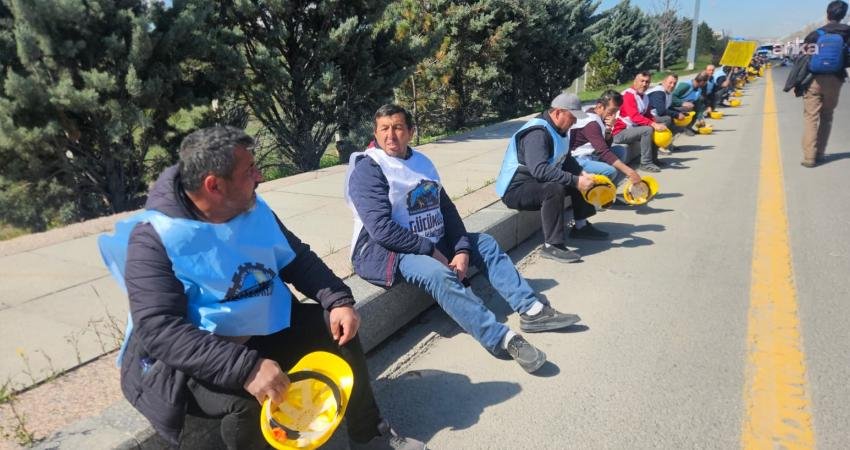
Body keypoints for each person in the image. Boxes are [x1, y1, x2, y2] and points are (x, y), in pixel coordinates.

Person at [98, 127, 424, 450]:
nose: (260, 177)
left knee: (338, 329)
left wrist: (338, 299)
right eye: (249, 170)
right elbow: (160, 329)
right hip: (196, 357)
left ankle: (368, 434)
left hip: (260, 327)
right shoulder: (154, 238)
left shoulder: (251, 206)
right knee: (250, 405)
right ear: (214, 185)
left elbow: (297, 258)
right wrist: (246, 367)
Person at [346, 104, 582, 374]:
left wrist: (461, 249)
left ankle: (532, 310)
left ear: (410, 132)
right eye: (384, 129)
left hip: (431, 237)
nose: (390, 136)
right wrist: (430, 251)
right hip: (388, 250)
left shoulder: (422, 162)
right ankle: (502, 339)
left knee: (485, 243)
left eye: (398, 128)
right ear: (375, 133)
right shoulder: (369, 168)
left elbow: (446, 209)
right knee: (437, 274)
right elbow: (381, 229)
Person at [495, 93, 610, 263]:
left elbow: (566, 159)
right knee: (555, 187)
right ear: (558, 113)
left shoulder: (559, 130)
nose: (575, 122)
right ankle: (552, 245)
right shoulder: (537, 133)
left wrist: (581, 174)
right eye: (572, 117)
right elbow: (540, 170)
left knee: (577, 179)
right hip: (516, 189)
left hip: (535, 183)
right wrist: (575, 180)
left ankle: (581, 226)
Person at [800, 0, 850, 167]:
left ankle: (809, 157)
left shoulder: (816, 34)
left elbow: (803, 55)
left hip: (814, 79)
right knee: (827, 116)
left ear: (827, 14)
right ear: (843, 16)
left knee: (811, 117)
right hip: (835, 79)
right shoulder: (847, 33)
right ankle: (820, 153)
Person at [569, 89, 642, 185]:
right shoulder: (591, 123)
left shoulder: (599, 116)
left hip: (592, 155)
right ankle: (603, 190)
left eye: (616, 111)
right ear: (600, 106)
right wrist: (630, 171)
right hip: (578, 159)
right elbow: (604, 151)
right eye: (611, 111)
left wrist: (609, 128)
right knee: (611, 171)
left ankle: (609, 186)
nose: (613, 115)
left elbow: (607, 145)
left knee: (620, 151)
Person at [612, 71, 669, 172]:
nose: (644, 84)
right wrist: (653, 124)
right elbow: (634, 117)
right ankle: (645, 163)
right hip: (619, 132)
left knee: (656, 127)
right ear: (635, 81)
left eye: (647, 82)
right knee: (647, 129)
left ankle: (653, 159)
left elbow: (648, 115)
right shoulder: (628, 95)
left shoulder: (645, 97)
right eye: (642, 81)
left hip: (631, 130)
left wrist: (657, 124)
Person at [646, 72, 694, 145]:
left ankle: (669, 142)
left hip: (654, 114)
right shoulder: (658, 92)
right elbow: (661, 111)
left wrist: (680, 113)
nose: (672, 85)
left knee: (683, 111)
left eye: (674, 83)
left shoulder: (668, 91)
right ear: (663, 82)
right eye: (670, 82)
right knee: (667, 119)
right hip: (647, 116)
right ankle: (661, 144)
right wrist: (677, 115)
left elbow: (668, 107)